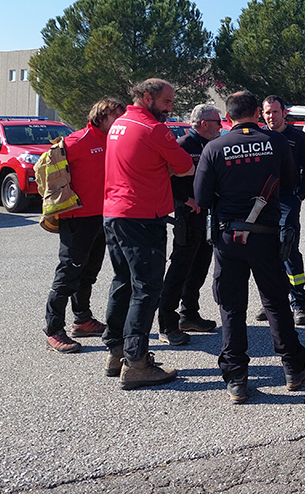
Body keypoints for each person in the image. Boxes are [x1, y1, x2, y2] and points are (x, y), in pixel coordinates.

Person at [194, 91, 305, 405]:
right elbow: (287, 184)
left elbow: (201, 198)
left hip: (229, 238)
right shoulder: (277, 142)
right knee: (275, 301)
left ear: (228, 116)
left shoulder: (214, 147)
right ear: (257, 112)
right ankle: (292, 369)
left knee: (231, 307)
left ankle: (237, 379)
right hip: (266, 235)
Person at [102, 79, 195, 389]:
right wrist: (165, 167)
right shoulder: (154, 129)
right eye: (166, 101)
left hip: (115, 213)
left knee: (123, 282)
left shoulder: (119, 124)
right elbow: (184, 167)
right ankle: (137, 362)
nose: (170, 107)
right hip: (142, 216)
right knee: (146, 288)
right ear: (146, 97)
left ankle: (116, 351)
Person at [43, 98, 126, 354]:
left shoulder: (115, 141)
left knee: (89, 272)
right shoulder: (74, 143)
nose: (120, 120)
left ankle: (82, 320)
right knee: (69, 274)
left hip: (103, 217)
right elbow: (48, 175)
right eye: (116, 116)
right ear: (100, 117)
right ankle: (54, 329)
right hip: (77, 219)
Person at [157, 103, 222, 346]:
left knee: (199, 267)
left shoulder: (211, 145)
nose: (220, 126)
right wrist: (186, 200)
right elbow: (167, 179)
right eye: (217, 121)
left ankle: (189, 315)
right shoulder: (183, 145)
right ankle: (167, 323)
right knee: (180, 269)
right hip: (188, 217)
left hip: (207, 218)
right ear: (204, 124)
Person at [254, 96, 305, 327]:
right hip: (263, 201)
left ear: (284, 113)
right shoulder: (260, 136)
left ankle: (298, 303)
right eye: (268, 112)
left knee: (288, 250)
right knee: (264, 253)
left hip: (288, 200)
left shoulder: (298, 137)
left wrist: (299, 195)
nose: (272, 116)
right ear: (263, 113)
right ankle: (270, 301)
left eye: (275, 112)